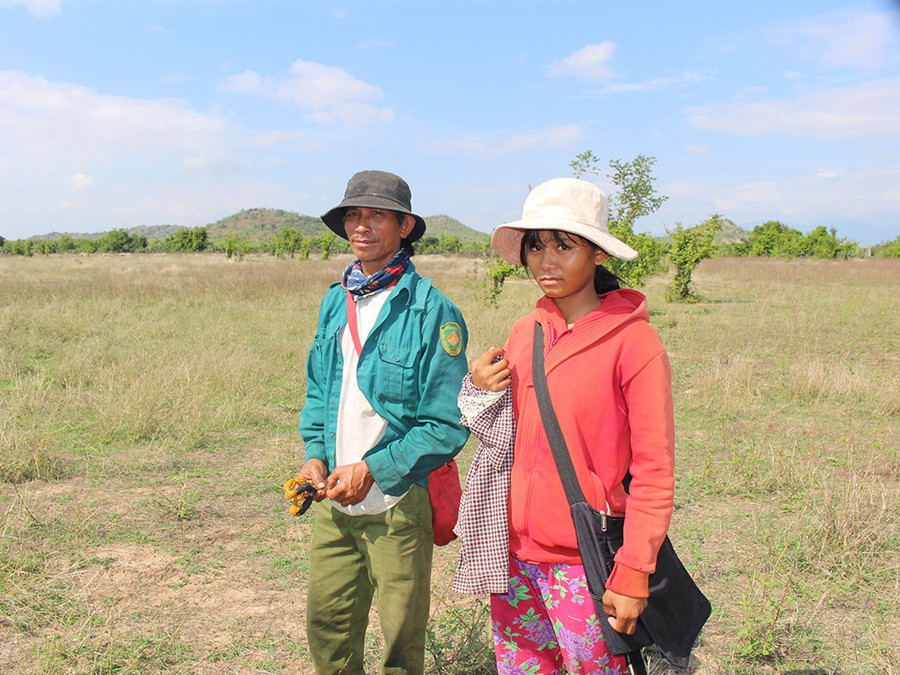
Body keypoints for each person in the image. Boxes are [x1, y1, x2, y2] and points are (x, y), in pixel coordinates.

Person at [453, 177, 675, 674]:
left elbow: (655, 471)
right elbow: (506, 433)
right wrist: (481, 386)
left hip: (585, 563)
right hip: (511, 556)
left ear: (598, 253)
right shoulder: (525, 331)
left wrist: (634, 570)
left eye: (564, 244)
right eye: (536, 245)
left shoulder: (634, 345)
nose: (546, 260)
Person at [297, 170, 469, 675]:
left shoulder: (433, 312)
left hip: (398, 502)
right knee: (327, 630)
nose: (361, 225)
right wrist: (314, 452)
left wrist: (371, 469)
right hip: (332, 500)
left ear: (404, 226)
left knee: (400, 644)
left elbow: (446, 424)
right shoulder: (337, 300)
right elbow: (320, 389)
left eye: (376, 214)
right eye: (353, 214)